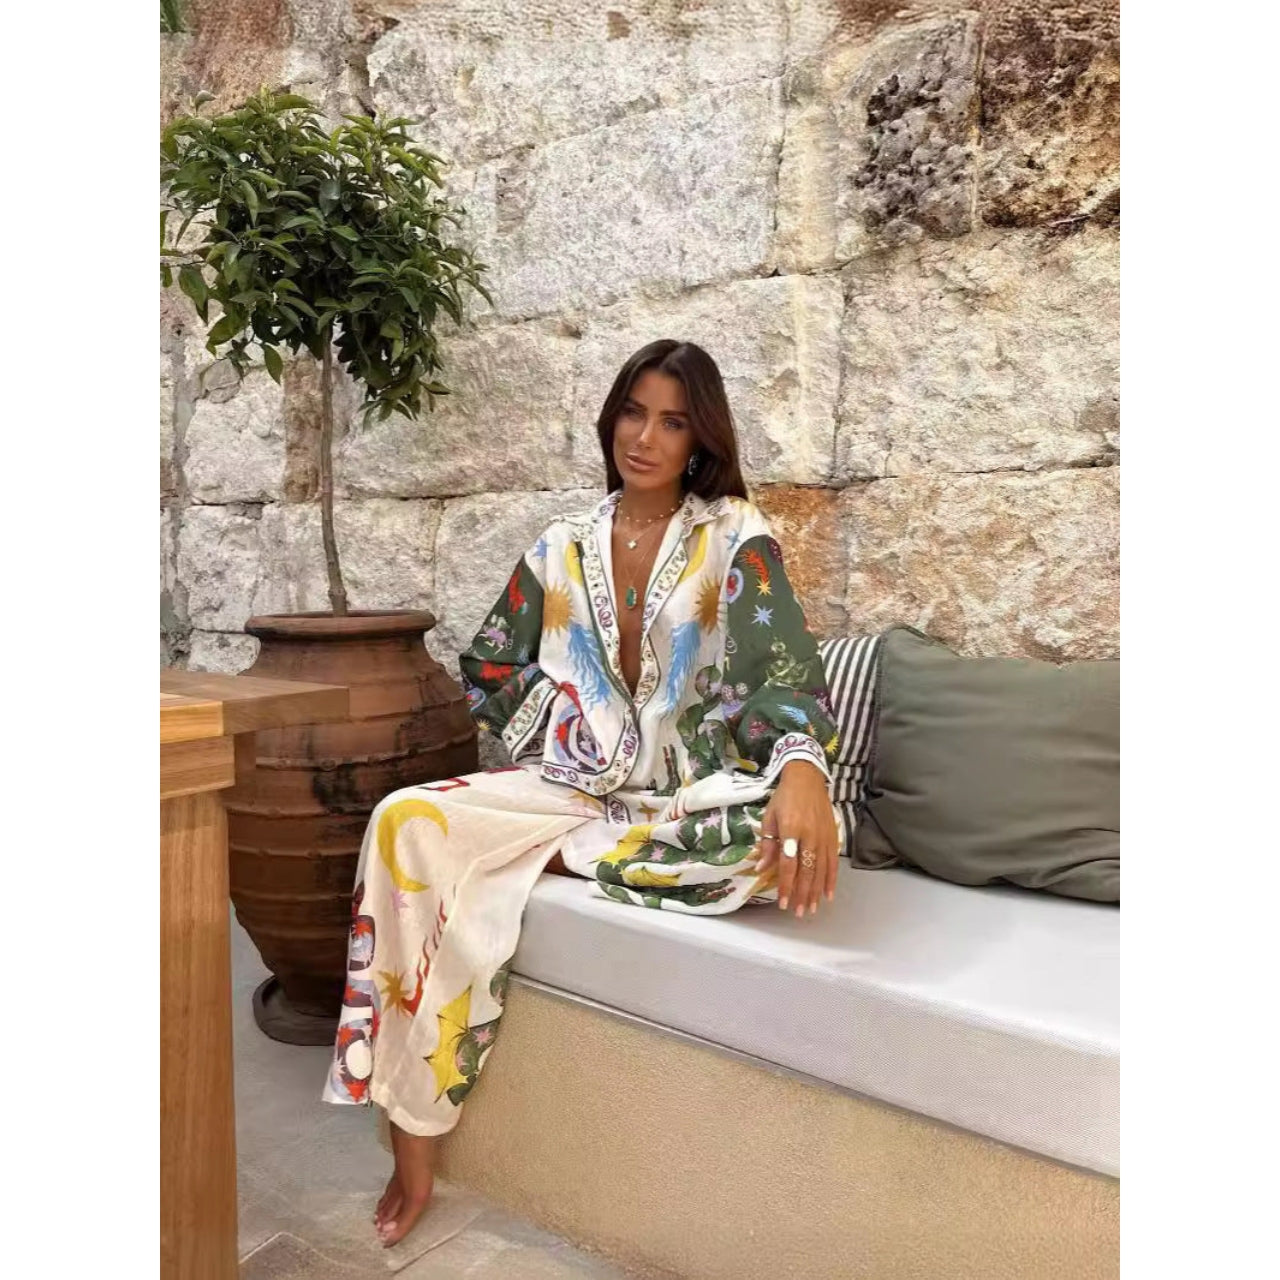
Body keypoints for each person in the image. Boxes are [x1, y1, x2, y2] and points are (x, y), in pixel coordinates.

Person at [322, 339, 843, 1247]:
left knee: (771, 843)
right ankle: (412, 1136)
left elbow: (779, 668)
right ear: (610, 418)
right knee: (403, 820)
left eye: (672, 422)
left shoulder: (735, 537)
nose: (644, 437)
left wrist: (801, 769)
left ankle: (550, 858)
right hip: (568, 789)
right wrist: (575, 734)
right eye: (633, 412)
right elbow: (489, 664)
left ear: (700, 438)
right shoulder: (559, 546)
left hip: (683, 797)